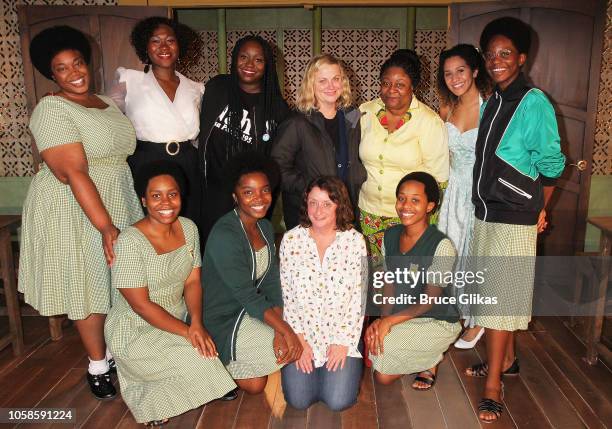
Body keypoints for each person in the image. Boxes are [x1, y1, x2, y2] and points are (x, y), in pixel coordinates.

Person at [19, 26, 143, 400]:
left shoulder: (105, 102)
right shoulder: (51, 108)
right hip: (75, 204)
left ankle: (119, 350)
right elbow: (72, 171)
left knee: (119, 280)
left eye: (77, 63)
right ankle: (97, 365)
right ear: (51, 75)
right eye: (62, 68)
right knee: (87, 282)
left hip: (116, 194)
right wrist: (105, 226)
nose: (74, 72)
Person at [466, 17, 565, 423]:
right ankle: (505, 360)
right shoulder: (494, 100)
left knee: (500, 302)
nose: (496, 61)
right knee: (492, 296)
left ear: (522, 58)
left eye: (505, 54)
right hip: (487, 213)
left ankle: (493, 383)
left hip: (514, 215)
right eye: (490, 55)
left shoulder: (533, 101)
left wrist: (540, 207)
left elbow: (553, 165)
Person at [105, 161, 236, 426]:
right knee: (202, 361)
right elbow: (141, 306)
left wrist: (196, 323)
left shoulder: (189, 228)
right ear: (143, 200)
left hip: (178, 316)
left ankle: (165, 380)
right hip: (134, 327)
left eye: (172, 194)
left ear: (181, 196)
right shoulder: (129, 242)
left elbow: (193, 282)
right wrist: (189, 333)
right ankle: (143, 384)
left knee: (209, 355)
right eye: (156, 196)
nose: (166, 202)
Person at [202, 152, 302, 396]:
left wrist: (281, 327)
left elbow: (270, 281)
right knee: (286, 348)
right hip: (224, 317)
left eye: (265, 190)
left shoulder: (265, 226)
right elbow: (247, 294)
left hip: (250, 310)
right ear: (235, 196)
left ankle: (223, 365)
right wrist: (286, 330)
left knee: (255, 385)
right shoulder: (226, 233)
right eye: (248, 192)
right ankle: (210, 358)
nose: (259, 199)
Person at [365, 172, 460, 390]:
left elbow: (429, 301)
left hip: (436, 320)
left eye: (415, 200)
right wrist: (382, 319)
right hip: (403, 314)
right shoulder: (390, 235)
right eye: (401, 198)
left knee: (382, 375)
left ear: (430, 206)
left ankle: (432, 359)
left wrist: (388, 324)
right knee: (378, 360)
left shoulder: (441, 246)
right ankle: (419, 354)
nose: (405, 205)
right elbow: (389, 282)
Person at [280, 176, 367, 411]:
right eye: (313, 202)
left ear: (339, 206)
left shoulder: (356, 241)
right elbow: (287, 295)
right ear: (305, 204)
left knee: (338, 401)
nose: (318, 211)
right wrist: (297, 337)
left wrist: (342, 341)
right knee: (298, 400)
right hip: (303, 333)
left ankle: (337, 377)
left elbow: (360, 298)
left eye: (327, 204)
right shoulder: (290, 240)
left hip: (341, 331)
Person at [108, 17, 203, 227]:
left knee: (188, 225)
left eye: (170, 40)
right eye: (155, 40)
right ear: (145, 46)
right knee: (149, 228)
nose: (164, 47)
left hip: (188, 165)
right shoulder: (128, 80)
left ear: (179, 45)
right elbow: (104, 116)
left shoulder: (195, 88)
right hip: (146, 162)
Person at [358, 49, 449, 264]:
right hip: (368, 213)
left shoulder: (429, 121)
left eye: (400, 84)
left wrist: (429, 227)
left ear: (413, 87)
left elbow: (439, 180)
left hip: (409, 216)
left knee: (405, 280)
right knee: (376, 277)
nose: (391, 90)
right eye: (386, 83)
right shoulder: (365, 112)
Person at [198, 35, 290, 245]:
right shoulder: (217, 89)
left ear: (267, 65)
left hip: (251, 197)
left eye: (258, 60)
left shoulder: (277, 107)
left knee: (248, 250)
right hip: (213, 192)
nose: (250, 64)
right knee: (215, 250)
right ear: (234, 59)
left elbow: (278, 158)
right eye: (244, 57)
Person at [437, 44, 492, 349]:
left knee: (478, 257)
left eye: (460, 70)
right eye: (448, 73)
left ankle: (479, 320)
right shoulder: (446, 109)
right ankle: (455, 317)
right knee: (452, 256)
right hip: (452, 193)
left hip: (480, 192)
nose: (455, 78)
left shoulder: (491, 106)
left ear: (474, 71)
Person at [271, 55, 366, 229]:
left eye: (336, 79)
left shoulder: (352, 117)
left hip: (345, 212)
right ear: (311, 85)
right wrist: (312, 187)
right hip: (309, 214)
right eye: (322, 81)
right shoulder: (297, 122)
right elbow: (277, 168)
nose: (331, 86)